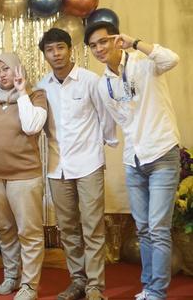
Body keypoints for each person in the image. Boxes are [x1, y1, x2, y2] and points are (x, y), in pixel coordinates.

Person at [85, 22, 181, 300]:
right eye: (93, 45)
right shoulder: (103, 84)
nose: (99, 49)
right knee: (144, 229)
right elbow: (123, 121)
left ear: (116, 39)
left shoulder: (144, 62)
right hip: (133, 160)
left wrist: (137, 43)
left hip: (162, 152)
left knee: (158, 228)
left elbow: (172, 59)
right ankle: (148, 287)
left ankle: (157, 292)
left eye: (103, 41)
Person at [37, 28, 117, 300]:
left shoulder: (90, 80)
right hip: (56, 167)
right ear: (45, 55)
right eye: (50, 50)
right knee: (68, 229)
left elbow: (106, 117)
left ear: (70, 50)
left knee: (92, 227)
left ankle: (95, 286)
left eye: (60, 47)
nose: (56, 54)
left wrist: (99, 145)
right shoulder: (42, 86)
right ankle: (78, 281)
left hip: (88, 164)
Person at [0, 53, 47, 300]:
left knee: (28, 232)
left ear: (18, 68)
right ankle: (12, 275)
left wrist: (21, 92)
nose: (2, 74)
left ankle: (30, 284)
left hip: (24, 176)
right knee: (6, 229)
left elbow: (31, 127)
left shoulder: (35, 95)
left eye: (7, 69)